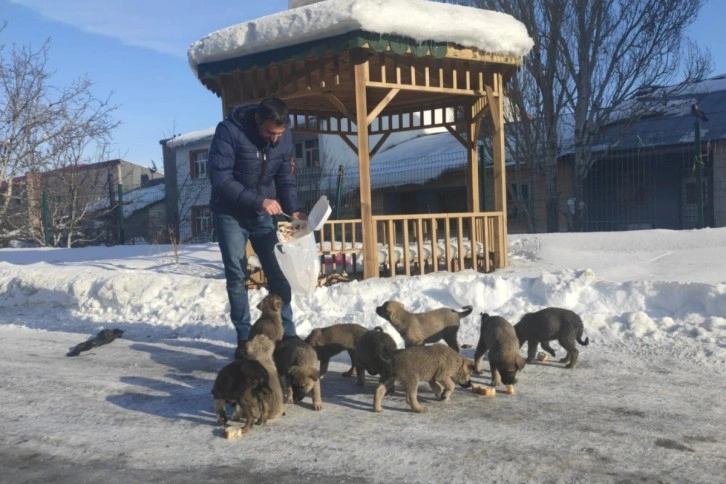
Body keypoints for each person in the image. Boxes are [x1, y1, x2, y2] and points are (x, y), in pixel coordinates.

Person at [207, 97, 306, 359]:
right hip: (230, 212)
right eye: (269, 133)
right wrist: (259, 201)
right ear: (257, 120)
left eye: (280, 134)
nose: (274, 139)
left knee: (278, 272)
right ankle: (244, 337)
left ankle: (287, 335)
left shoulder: (283, 138)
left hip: (263, 214)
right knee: (237, 274)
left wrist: (293, 208)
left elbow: (286, 178)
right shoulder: (229, 131)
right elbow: (220, 178)